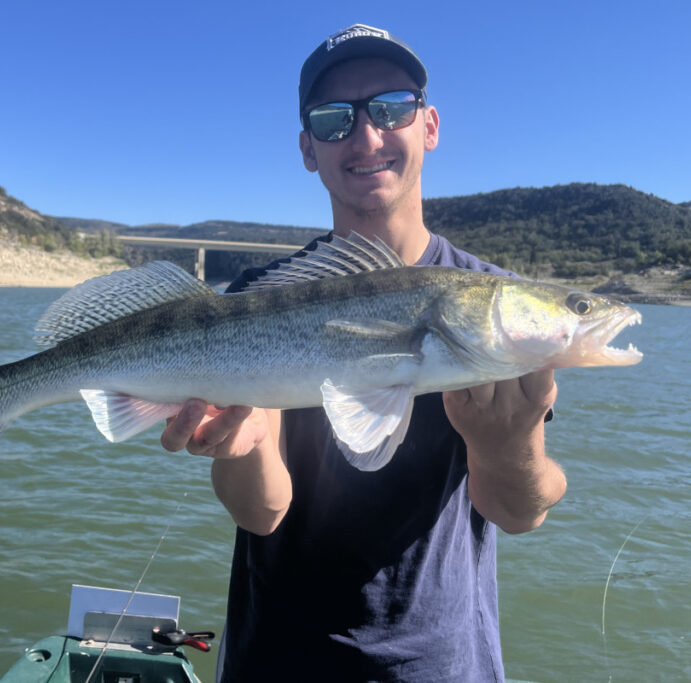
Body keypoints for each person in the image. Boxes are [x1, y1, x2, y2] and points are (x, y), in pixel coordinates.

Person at [160, 24, 567, 682]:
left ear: (429, 125)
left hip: (439, 664)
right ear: (307, 149)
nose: (367, 136)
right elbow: (264, 509)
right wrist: (244, 447)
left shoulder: (492, 305)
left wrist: (509, 442)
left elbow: (521, 510)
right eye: (333, 119)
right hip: (277, 659)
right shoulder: (259, 297)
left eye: (391, 108)